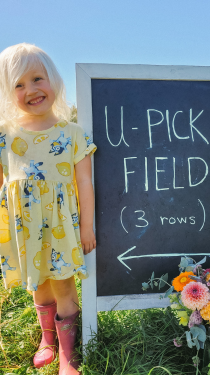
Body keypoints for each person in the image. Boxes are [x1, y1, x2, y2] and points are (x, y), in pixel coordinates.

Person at [0, 43, 96, 375]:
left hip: (61, 229)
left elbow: (84, 182)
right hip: (24, 230)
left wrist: (86, 227)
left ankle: (68, 354)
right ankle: (47, 339)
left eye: (38, 78)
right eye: (18, 84)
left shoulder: (71, 134)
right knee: (38, 284)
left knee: (64, 285)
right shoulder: (6, 137)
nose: (31, 90)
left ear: (53, 79)